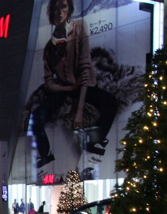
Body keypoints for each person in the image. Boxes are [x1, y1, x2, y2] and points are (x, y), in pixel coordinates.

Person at [31, 0, 118, 173]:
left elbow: (85, 67)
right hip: (64, 88)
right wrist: (67, 89)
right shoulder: (49, 47)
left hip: (84, 85)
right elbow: (49, 83)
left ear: (69, 10)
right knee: (35, 119)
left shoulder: (79, 28)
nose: (59, 12)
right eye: (55, 8)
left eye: (63, 7)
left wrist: (79, 110)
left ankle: (94, 144)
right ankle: (45, 154)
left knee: (111, 104)